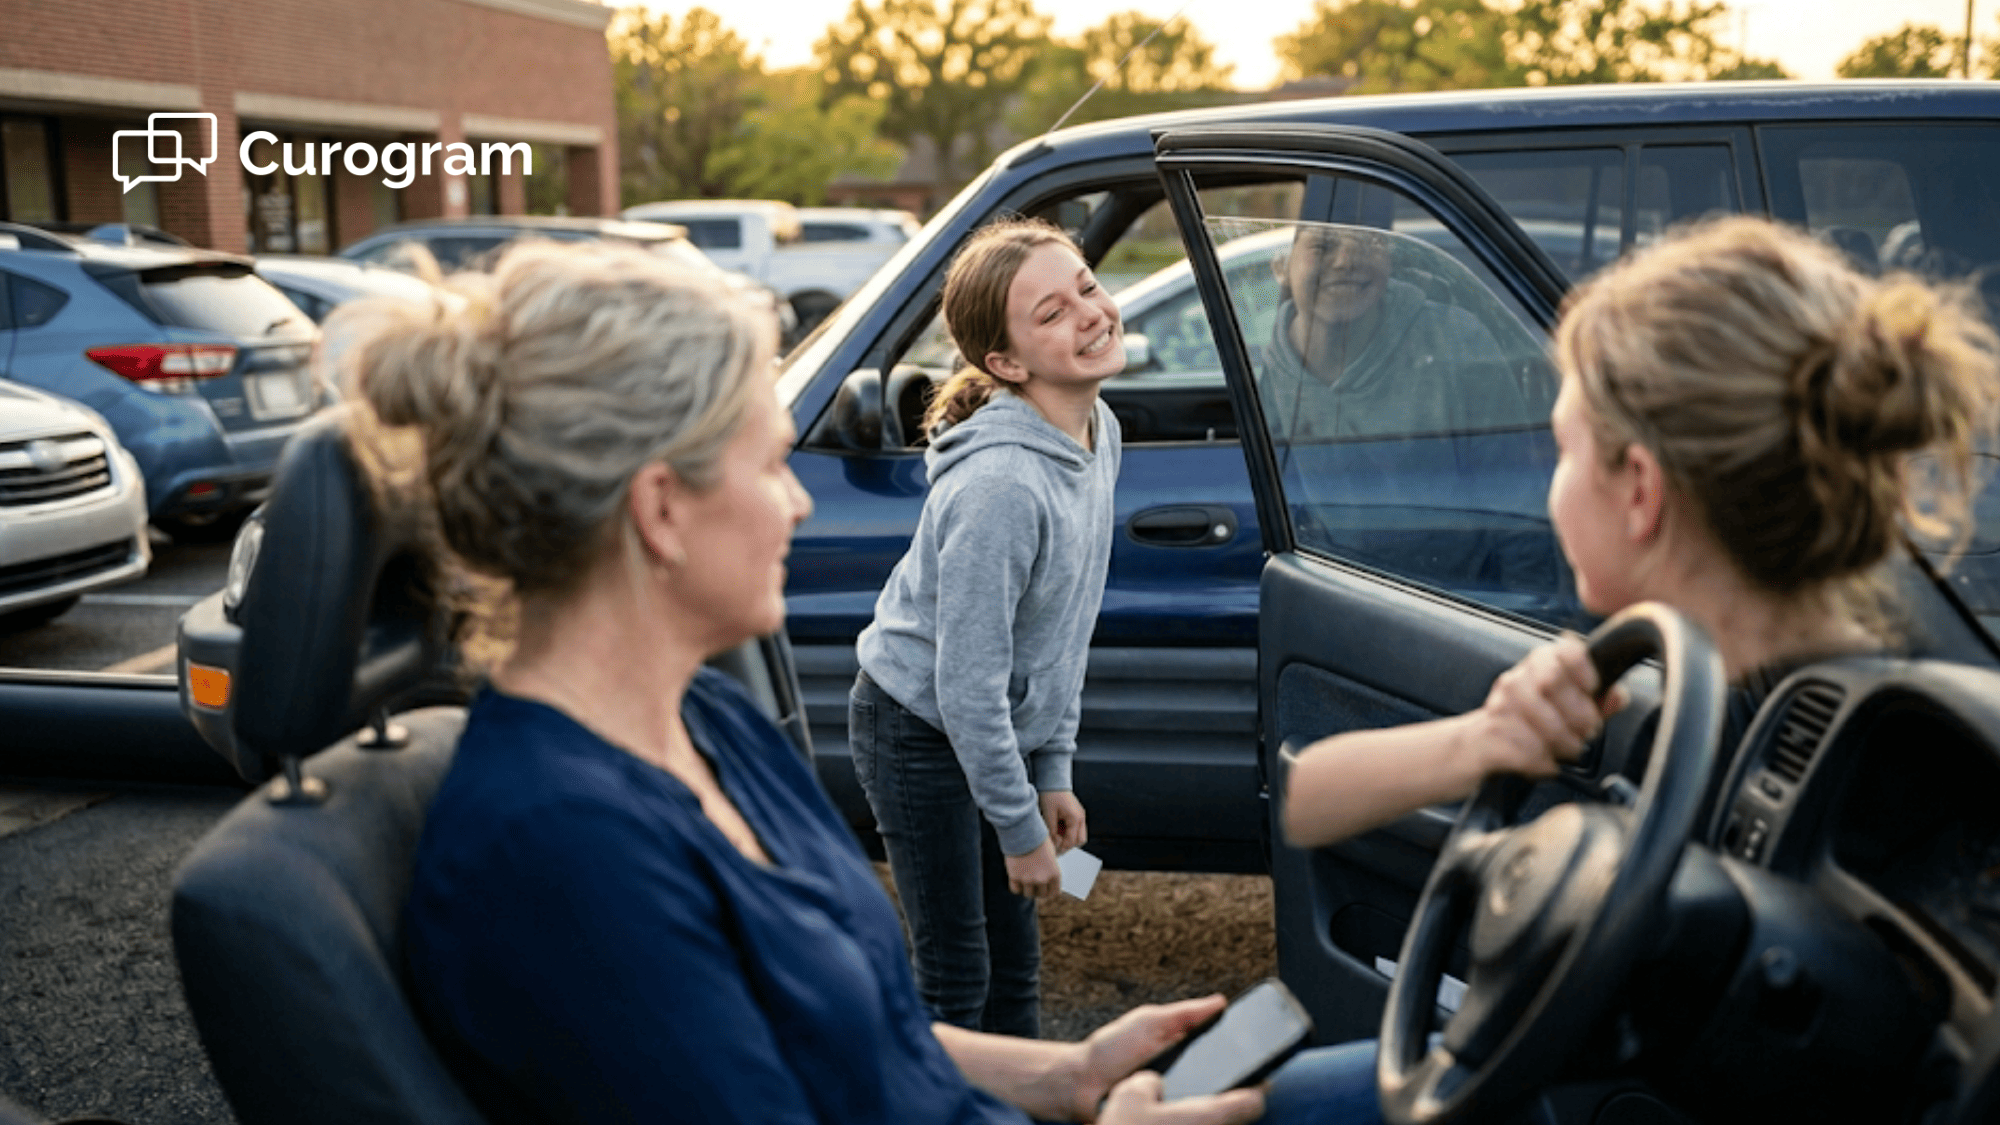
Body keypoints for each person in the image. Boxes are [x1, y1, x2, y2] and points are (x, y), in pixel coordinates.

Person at [337, 238, 1383, 1125]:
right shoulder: (558, 849)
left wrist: (1062, 1075)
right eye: (766, 466)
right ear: (661, 512)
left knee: (1412, 1083)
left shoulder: (710, 726)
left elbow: (853, 1028)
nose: (797, 505)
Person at [1284, 211, 1999, 847]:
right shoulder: (1761, 696)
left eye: (1563, 448)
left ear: (1641, 493)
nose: (1550, 478)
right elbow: (1303, 797)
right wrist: (1482, 737)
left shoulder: (1778, 740)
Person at [848, 216, 1118, 1039]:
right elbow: (963, 686)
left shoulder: (1099, 432)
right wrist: (1020, 826)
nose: (1088, 312)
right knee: (957, 976)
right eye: (1051, 314)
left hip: (988, 725)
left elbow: (1063, 633)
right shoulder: (1001, 486)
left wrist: (1054, 768)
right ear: (1004, 362)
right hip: (917, 728)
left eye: (1087, 286)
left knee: (1017, 967)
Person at [1257, 217, 1542, 444]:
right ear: (1281, 267)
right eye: (1322, 247)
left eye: (1369, 242)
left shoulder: (1459, 341)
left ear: (1389, 260)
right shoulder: (1257, 368)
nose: (1346, 261)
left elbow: (1511, 482)